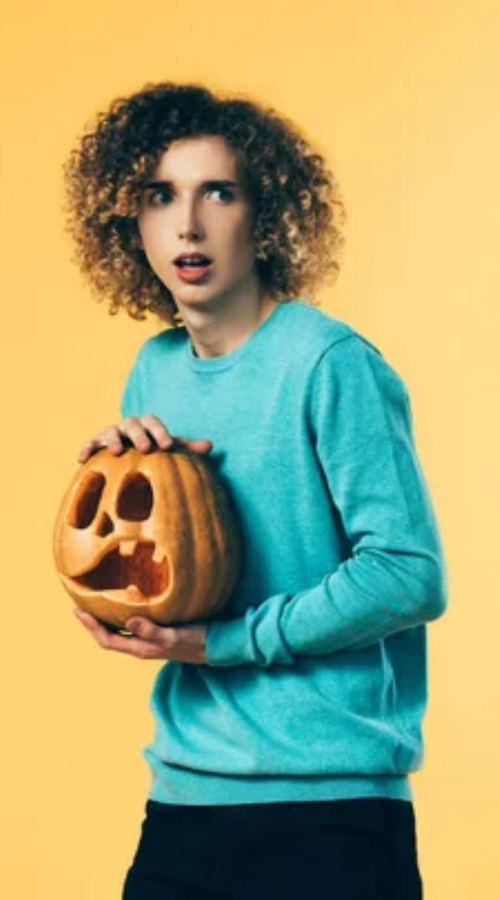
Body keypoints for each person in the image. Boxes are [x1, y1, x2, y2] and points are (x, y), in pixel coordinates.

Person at [62, 81, 448, 899]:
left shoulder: (328, 363)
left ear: (264, 214)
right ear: (129, 223)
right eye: (161, 196)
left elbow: (408, 573)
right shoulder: (155, 369)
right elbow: (172, 587)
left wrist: (224, 644)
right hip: (185, 798)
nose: (188, 225)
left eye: (218, 193)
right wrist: (106, 497)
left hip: (332, 810)